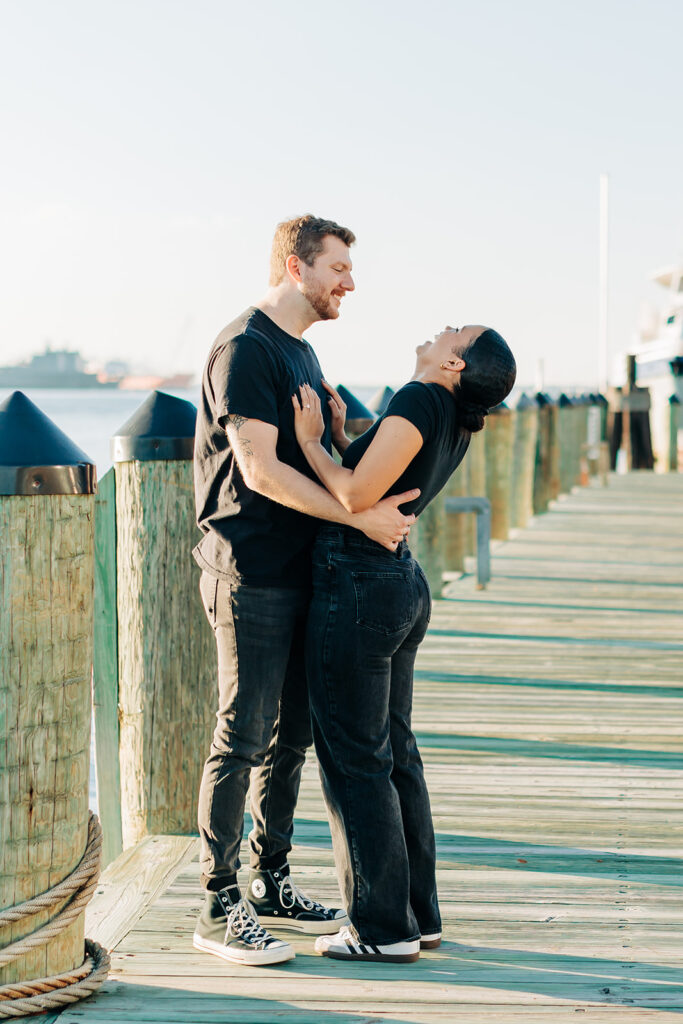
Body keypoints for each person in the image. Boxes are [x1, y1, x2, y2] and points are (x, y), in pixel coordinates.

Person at [191, 215, 419, 967]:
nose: (349, 282)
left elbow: (307, 452)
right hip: (249, 573)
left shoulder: (301, 350)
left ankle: (270, 882)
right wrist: (359, 511)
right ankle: (218, 903)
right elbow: (257, 472)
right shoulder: (245, 349)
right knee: (243, 734)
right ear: (297, 266)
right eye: (338, 267)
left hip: (301, 575)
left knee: (291, 739)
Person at [291, 324, 517, 963]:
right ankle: (417, 916)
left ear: (454, 360)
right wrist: (341, 439)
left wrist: (309, 444)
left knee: (355, 761)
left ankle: (380, 928)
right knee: (395, 756)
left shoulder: (420, 399)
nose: (442, 326)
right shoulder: (448, 413)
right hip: (396, 585)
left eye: (456, 330)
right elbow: (384, 471)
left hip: (359, 580)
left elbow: (359, 494)